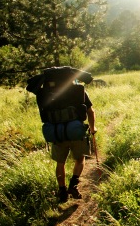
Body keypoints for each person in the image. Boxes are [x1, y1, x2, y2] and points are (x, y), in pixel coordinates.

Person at [26, 66, 97, 203]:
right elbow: (90, 112)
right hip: (76, 131)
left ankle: (62, 190)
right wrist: (93, 128)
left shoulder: (47, 94)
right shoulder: (79, 91)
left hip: (56, 132)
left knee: (60, 162)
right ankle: (73, 185)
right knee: (80, 159)